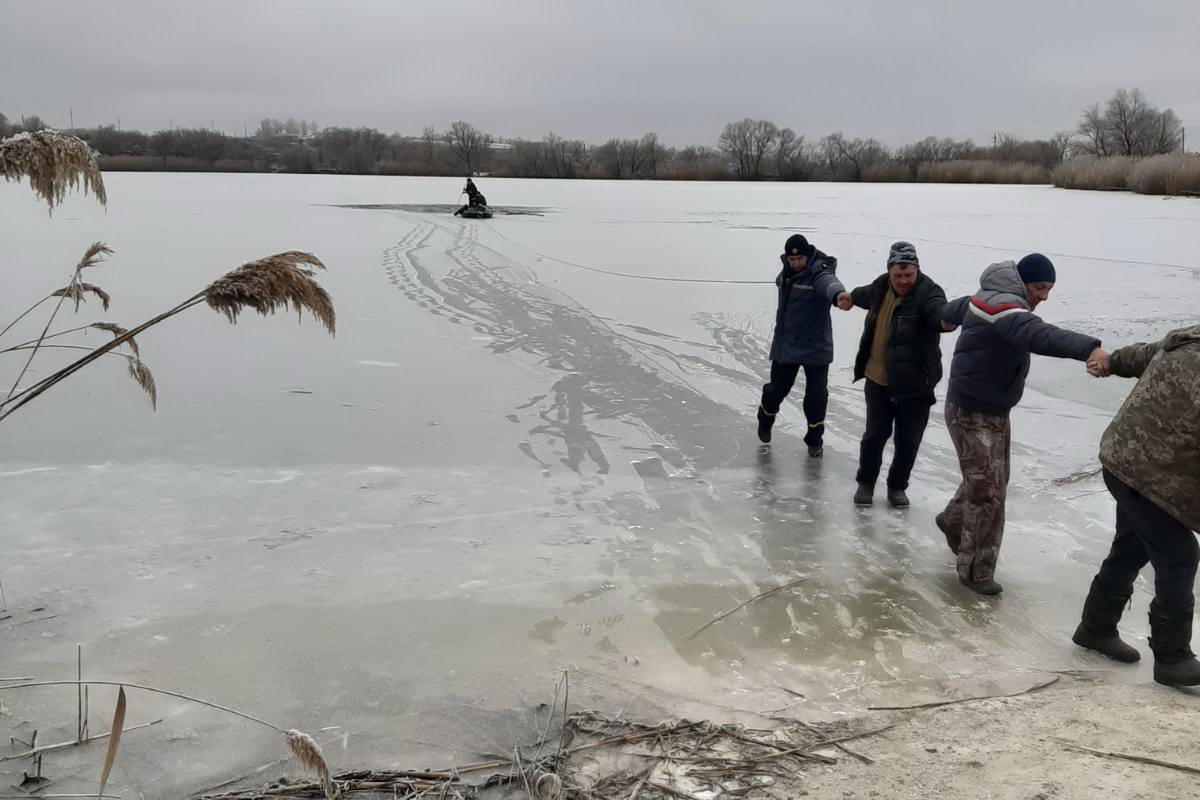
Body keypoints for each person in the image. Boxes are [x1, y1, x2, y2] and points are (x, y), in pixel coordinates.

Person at [936, 254, 1106, 595]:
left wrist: (944, 319)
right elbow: (1039, 335)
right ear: (1022, 283)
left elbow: (953, 310)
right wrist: (1089, 347)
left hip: (990, 408)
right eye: (1040, 288)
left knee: (989, 482)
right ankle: (975, 571)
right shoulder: (1005, 311)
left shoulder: (985, 299)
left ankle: (953, 520)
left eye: (1049, 290)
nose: (1044, 297)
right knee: (988, 493)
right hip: (973, 411)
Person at [1072, 324, 1200, 686]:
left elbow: (1146, 353)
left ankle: (1095, 628)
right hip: (1151, 472)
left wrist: (1110, 362)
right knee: (1179, 554)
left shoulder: (1192, 336)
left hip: (1124, 456)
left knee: (1132, 546)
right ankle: (1173, 657)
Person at [843, 242, 950, 508]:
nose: (904, 281)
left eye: (909, 275)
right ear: (889, 272)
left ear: (917, 271)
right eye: (898, 276)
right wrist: (849, 297)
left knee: (908, 441)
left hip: (915, 385)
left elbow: (938, 312)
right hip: (878, 380)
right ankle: (865, 483)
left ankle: (897, 487)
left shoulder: (929, 292)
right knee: (874, 436)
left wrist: (945, 322)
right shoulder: (881, 287)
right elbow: (864, 294)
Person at [757, 233, 849, 457]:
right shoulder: (787, 274)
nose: (796, 264)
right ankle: (765, 418)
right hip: (788, 343)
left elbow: (829, 283)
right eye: (792, 260)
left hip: (816, 346)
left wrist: (839, 296)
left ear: (808, 256)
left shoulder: (819, 273)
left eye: (800, 260)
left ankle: (814, 439)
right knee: (776, 390)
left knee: (816, 398)